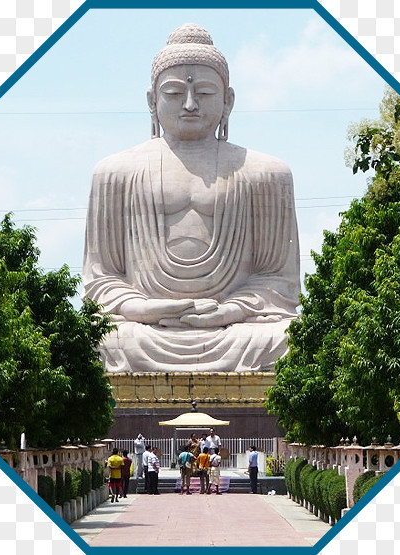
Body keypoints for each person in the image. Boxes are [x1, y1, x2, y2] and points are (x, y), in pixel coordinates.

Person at [82, 23, 300, 373]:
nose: (189, 104)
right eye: (172, 94)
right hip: (144, 330)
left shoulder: (266, 174)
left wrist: (229, 310)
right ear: (151, 100)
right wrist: (148, 309)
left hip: (236, 329)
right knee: (95, 340)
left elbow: (277, 281)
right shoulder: (113, 172)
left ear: (228, 100)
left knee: (290, 337)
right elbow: (101, 279)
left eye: (205, 93)